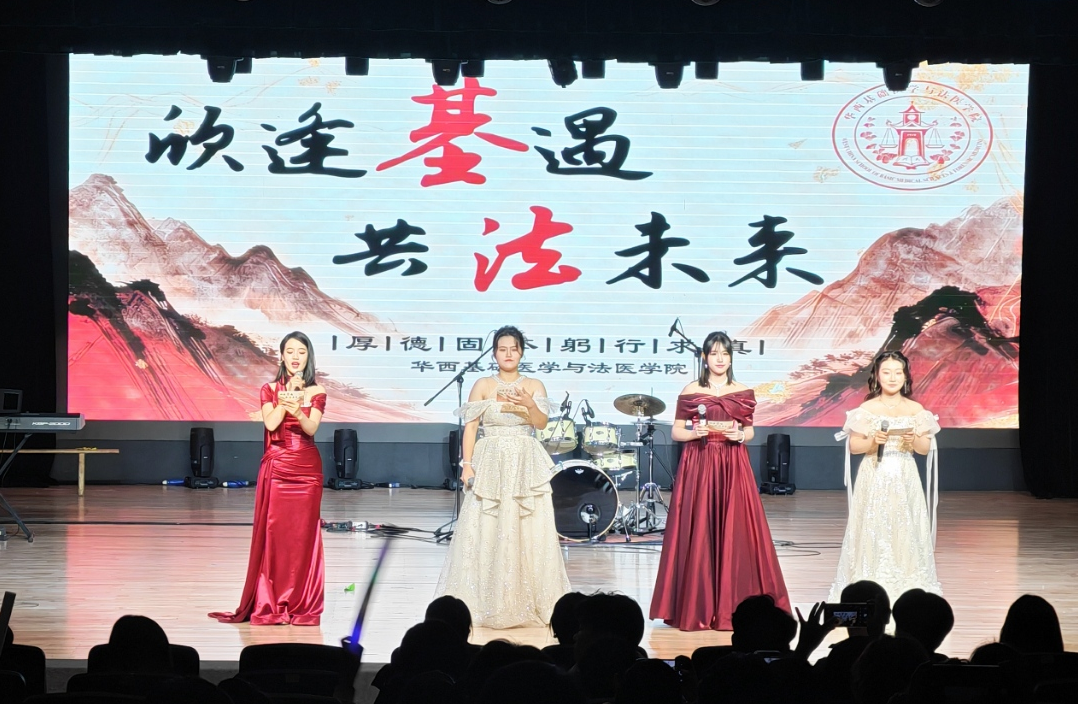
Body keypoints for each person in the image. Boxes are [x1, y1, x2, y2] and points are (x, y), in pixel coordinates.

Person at [650, 331, 790, 631]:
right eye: (714, 354)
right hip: (699, 463)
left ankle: (732, 605)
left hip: (732, 463)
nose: (720, 359)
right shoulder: (691, 390)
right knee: (699, 528)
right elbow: (676, 431)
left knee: (734, 527)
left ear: (731, 358)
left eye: (725, 354)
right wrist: (694, 433)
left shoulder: (742, 391)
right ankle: (697, 604)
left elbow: (749, 431)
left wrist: (739, 435)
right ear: (704, 357)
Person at [436, 325, 570, 628]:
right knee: (486, 526)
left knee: (528, 527)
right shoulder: (483, 384)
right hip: (491, 459)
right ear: (494, 353)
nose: (508, 354)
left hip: (524, 460)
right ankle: (485, 600)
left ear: (521, 352)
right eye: (502, 349)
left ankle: (527, 599)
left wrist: (529, 404)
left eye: (514, 349)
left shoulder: (533, 384)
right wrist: (467, 465)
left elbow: (541, 424)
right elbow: (471, 427)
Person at [209, 331, 327, 625]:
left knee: (303, 537)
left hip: (306, 470)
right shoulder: (269, 389)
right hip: (278, 468)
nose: (296, 357)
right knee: (274, 535)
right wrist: (288, 399)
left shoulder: (317, 391)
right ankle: (272, 601)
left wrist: (299, 407)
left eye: (301, 352)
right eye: (290, 351)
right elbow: (271, 423)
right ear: (282, 356)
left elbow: (311, 429)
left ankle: (300, 601)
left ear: (309, 357)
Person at [829, 350, 941, 603]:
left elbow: (924, 449)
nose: (892, 378)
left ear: (906, 376)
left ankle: (909, 585)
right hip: (874, 473)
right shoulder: (867, 408)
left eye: (898, 372)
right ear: (877, 376)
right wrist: (872, 440)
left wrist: (913, 440)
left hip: (905, 474)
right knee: (873, 526)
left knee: (905, 527)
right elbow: (854, 447)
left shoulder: (915, 409)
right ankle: (868, 584)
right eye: (886, 372)